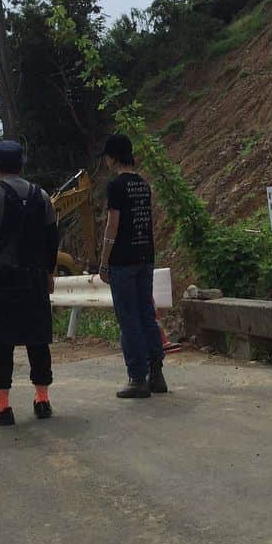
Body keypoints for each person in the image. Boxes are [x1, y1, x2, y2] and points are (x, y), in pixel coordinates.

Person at [0, 140, 59, 426]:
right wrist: (48, 271)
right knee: (37, 338)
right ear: (21, 165)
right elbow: (51, 238)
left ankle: (3, 407)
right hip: (34, 276)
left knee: (1, 342)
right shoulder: (41, 196)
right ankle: (42, 400)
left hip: (0, 279)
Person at [98, 134, 168, 399]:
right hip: (144, 256)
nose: (105, 161)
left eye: (106, 156)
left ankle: (137, 378)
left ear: (113, 157)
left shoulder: (116, 186)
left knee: (128, 319)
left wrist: (104, 262)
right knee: (146, 314)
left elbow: (112, 225)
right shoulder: (143, 184)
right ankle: (156, 374)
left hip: (123, 260)